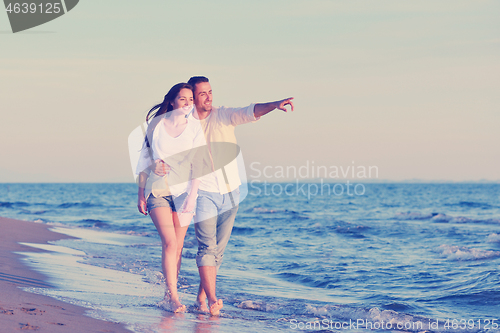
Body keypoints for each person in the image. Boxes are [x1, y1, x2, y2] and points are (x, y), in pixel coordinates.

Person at [136, 83, 206, 313]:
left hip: (185, 193)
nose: (188, 103)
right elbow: (144, 160)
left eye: (191, 100)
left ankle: (168, 294)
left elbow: (199, 165)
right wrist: (140, 193)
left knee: (177, 247)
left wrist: (192, 197)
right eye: (183, 99)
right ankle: (174, 297)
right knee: (169, 242)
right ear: (173, 100)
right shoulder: (156, 125)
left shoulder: (195, 128)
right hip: (158, 191)